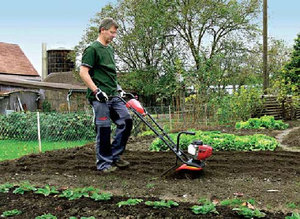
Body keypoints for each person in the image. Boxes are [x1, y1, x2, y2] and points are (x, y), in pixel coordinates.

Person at [79, 18, 132, 173]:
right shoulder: (92, 49)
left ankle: (115, 155)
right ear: (103, 30)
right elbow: (83, 72)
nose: (114, 36)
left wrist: (119, 88)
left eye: (115, 33)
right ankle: (104, 164)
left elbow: (109, 74)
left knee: (126, 121)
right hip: (99, 97)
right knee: (104, 128)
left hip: (113, 95)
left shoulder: (110, 50)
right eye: (112, 32)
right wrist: (96, 91)